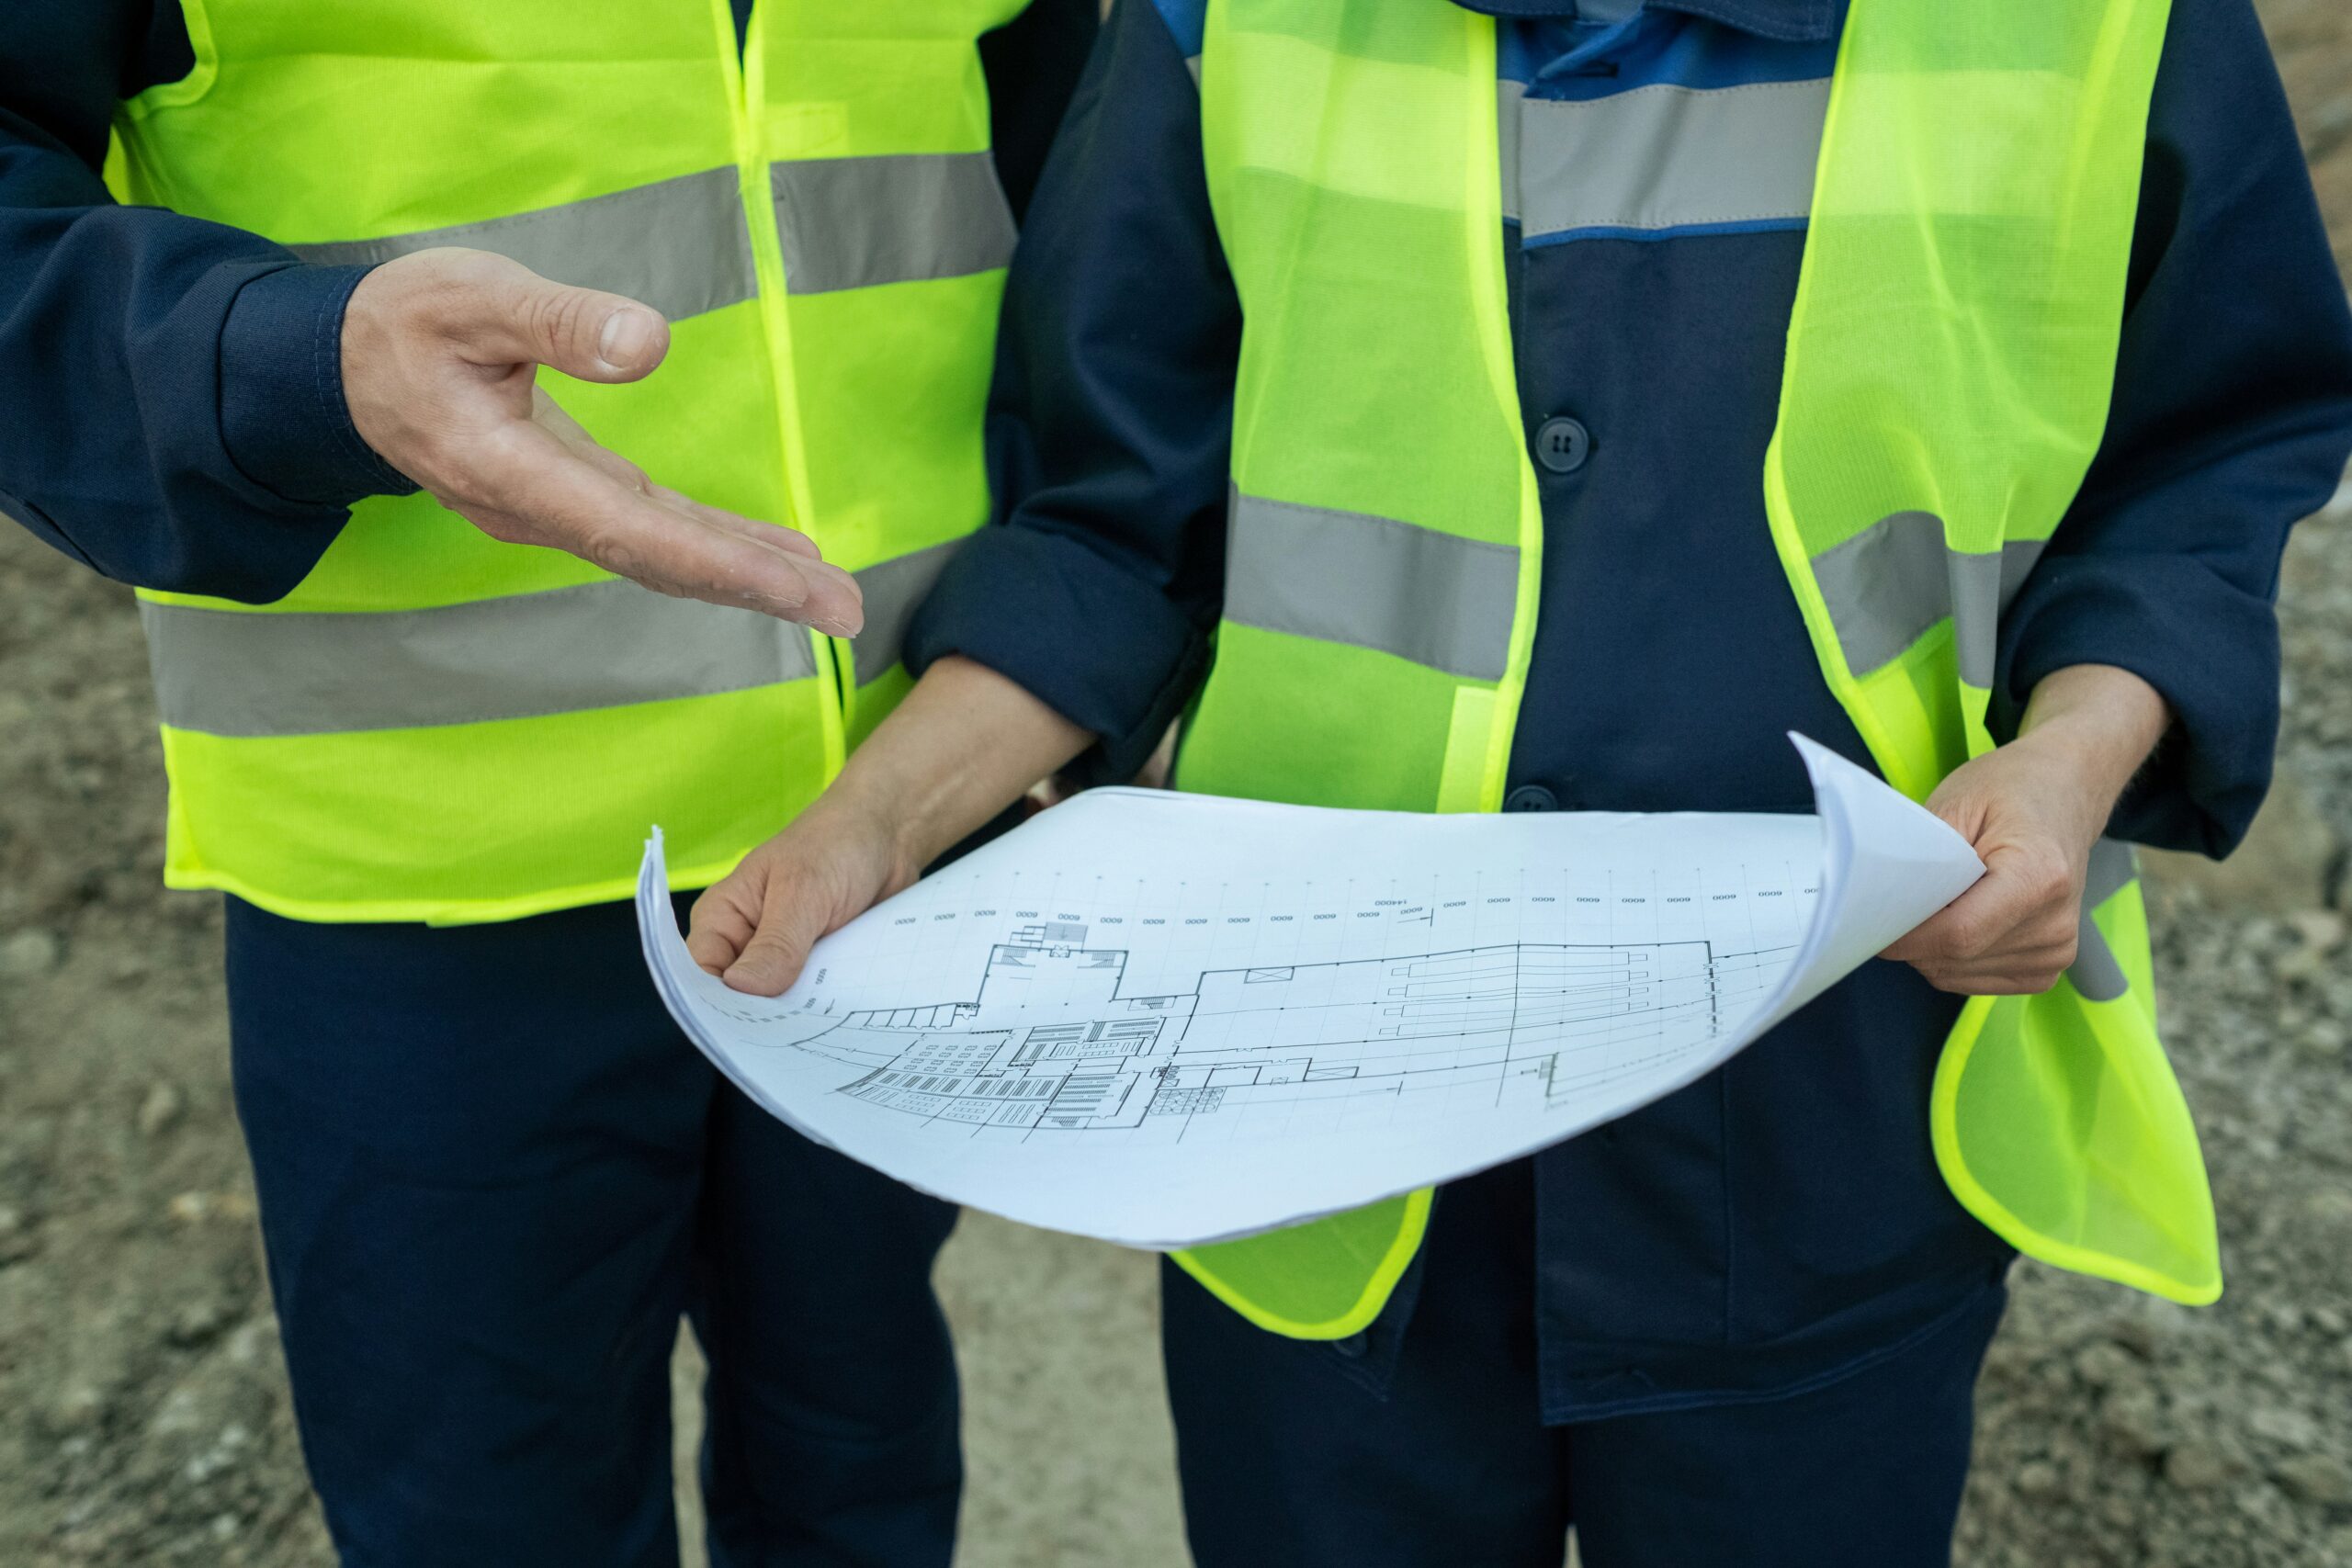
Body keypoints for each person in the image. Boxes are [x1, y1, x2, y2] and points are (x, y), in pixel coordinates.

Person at [686, 0, 2352, 1563]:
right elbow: (1113, 525)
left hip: (1831, 1130)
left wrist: (2074, 754)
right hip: (1315, 1151)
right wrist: (875, 826)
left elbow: (2201, 453)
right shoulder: (1228, 24)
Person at [0, 3, 1095, 1563]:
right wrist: (294, 362)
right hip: (422, 903)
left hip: (877, 838)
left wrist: (1033, 661)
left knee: (863, 1472)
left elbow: (1057, 186)